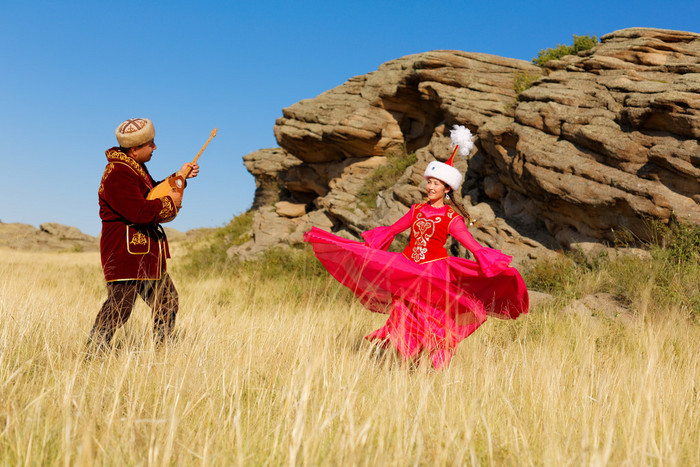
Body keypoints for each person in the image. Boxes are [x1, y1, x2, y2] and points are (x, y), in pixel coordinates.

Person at [303, 126, 529, 370]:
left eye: (436, 183)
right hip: (407, 269)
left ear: (447, 189)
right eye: (429, 182)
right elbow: (390, 231)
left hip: (434, 273)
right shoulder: (416, 211)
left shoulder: (452, 218)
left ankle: (435, 367)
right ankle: (404, 368)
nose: (430, 187)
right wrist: (365, 250)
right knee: (402, 315)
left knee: (433, 320)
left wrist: (494, 266)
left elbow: (473, 247)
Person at [87, 118, 199, 350]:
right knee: (119, 307)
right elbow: (138, 211)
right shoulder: (117, 173)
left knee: (167, 301)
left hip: (144, 253)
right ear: (135, 149)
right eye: (151, 144)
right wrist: (171, 202)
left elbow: (151, 194)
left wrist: (180, 177)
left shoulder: (132, 167)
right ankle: (92, 357)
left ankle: (161, 353)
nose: (155, 147)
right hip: (124, 253)